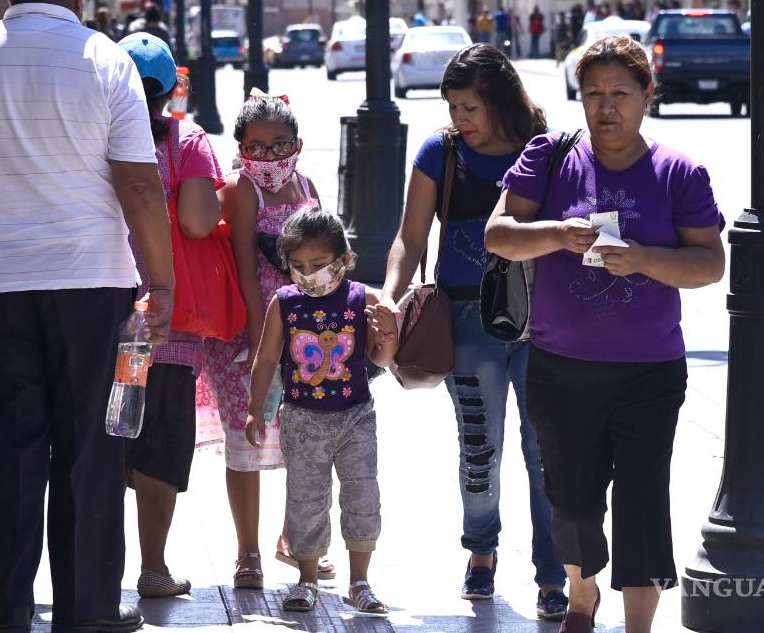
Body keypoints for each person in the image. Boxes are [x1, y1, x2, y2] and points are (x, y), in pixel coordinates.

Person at [0, 0, 175, 631]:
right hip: (93, 285)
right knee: (91, 450)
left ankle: (7, 610)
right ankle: (86, 610)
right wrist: (163, 283)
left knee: (9, 450)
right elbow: (139, 184)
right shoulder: (106, 60)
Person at [485, 35, 725, 633]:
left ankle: (639, 624)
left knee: (643, 501)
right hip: (559, 366)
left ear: (648, 95)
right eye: (594, 93)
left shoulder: (678, 172)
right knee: (572, 500)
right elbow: (498, 234)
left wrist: (643, 258)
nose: (606, 106)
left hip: (649, 371)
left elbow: (709, 264)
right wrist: (556, 234)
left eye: (621, 92)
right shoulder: (550, 156)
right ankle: (582, 593)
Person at [378, 44, 569, 620]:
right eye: (453, 106)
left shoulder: (545, 150)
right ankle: (481, 552)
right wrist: (389, 295)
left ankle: (553, 573)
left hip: (543, 325)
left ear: (500, 100)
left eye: (470, 107)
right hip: (466, 324)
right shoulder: (441, 152)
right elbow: (411, 236)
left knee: (547, 455)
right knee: (479, 449)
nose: (459, 118)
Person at [196, 92, 335, 589]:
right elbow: (245, 272)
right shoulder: (241, 190)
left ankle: (296, 541)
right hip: (248, 335)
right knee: (246, 441)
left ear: (297, 144)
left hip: (307, 336)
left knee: (306, 442)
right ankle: (248, 553)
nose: (270, 157)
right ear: (240, 148)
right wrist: (262, 346)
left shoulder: (308, 184)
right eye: (256, 147)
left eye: (280, 145)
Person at [244, 209, 399, 615]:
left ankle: (360, 582)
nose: (308, 274)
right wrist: (255, 409)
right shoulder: (284, 302)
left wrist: (387, 333)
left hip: (356, 417)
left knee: (362, 494)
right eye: (298, 266)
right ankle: (307, 579)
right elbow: (266, 358)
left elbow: (381, 357)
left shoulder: (362, 299)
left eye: (318, 264)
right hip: (301, 419)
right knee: (305, 500)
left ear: (344, 260)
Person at [116, 33, 223, 599]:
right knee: (159, 442)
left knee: (109, 437)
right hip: (167, 325)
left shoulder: (94, 136)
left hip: (106, 319)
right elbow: (200, 222)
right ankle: (153, 568)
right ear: (171, 89)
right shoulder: (188, 142)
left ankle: (95, 570)